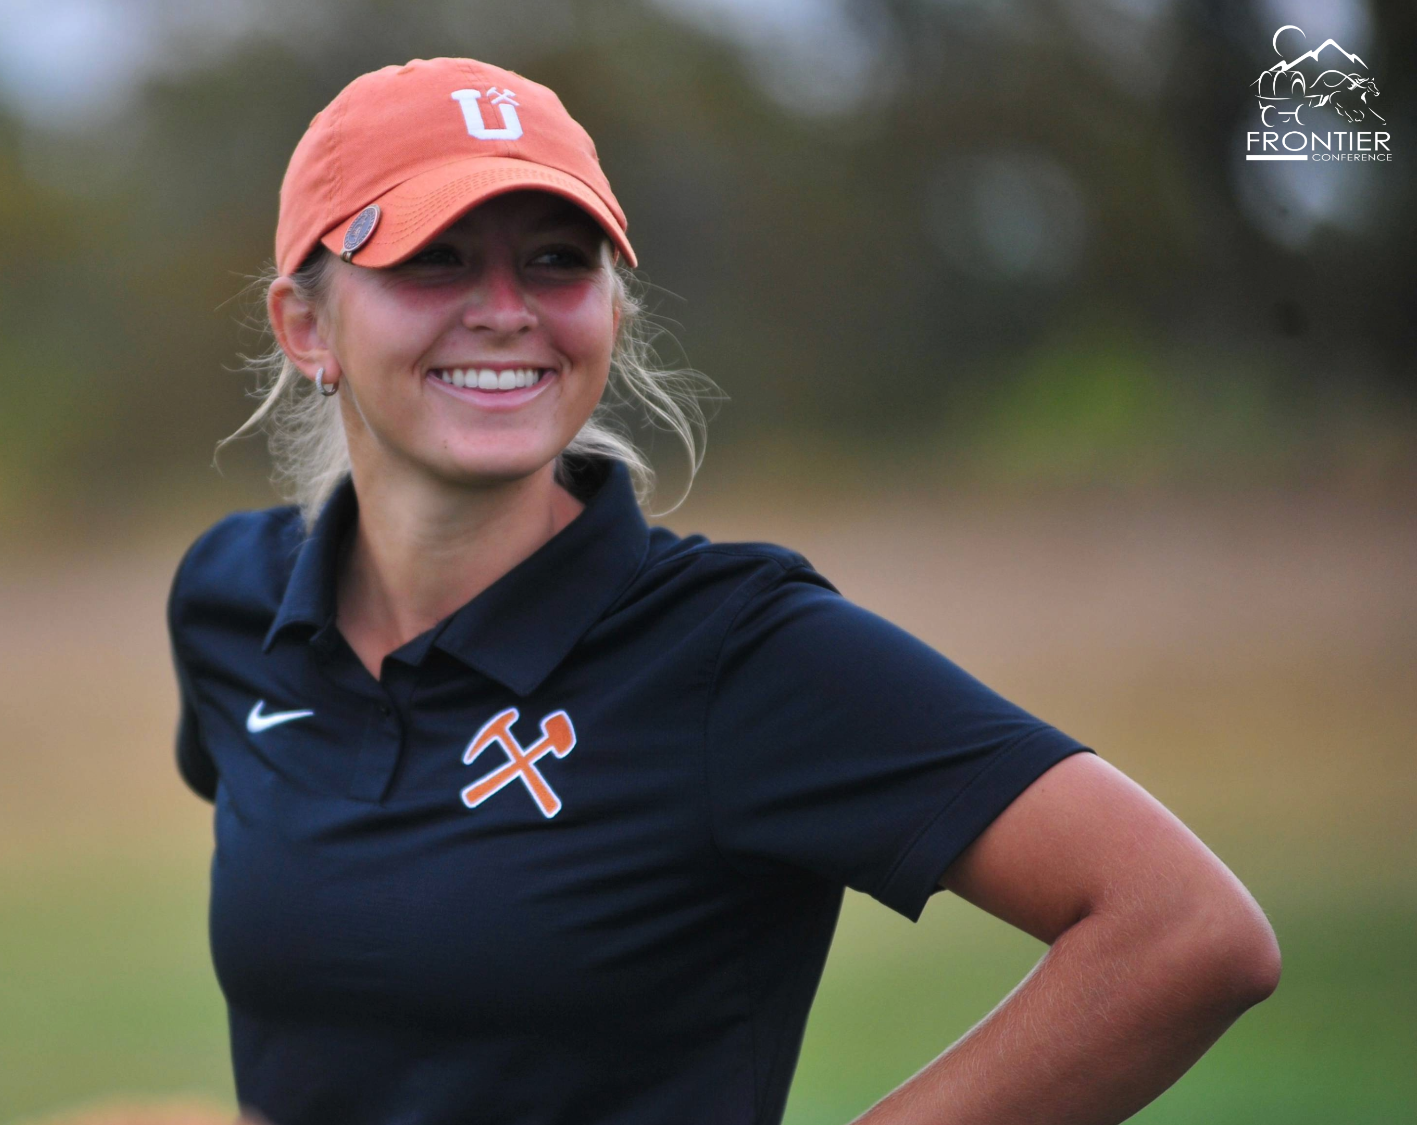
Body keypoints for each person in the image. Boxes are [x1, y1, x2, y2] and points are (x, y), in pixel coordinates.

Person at [164, 57, 1279, 1125]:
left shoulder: (736, 652)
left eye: (557, 260)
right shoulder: (231, 605)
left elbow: (1182, 931)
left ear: (612, 313)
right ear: (305, 326)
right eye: (433, 260)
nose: (505, 308)